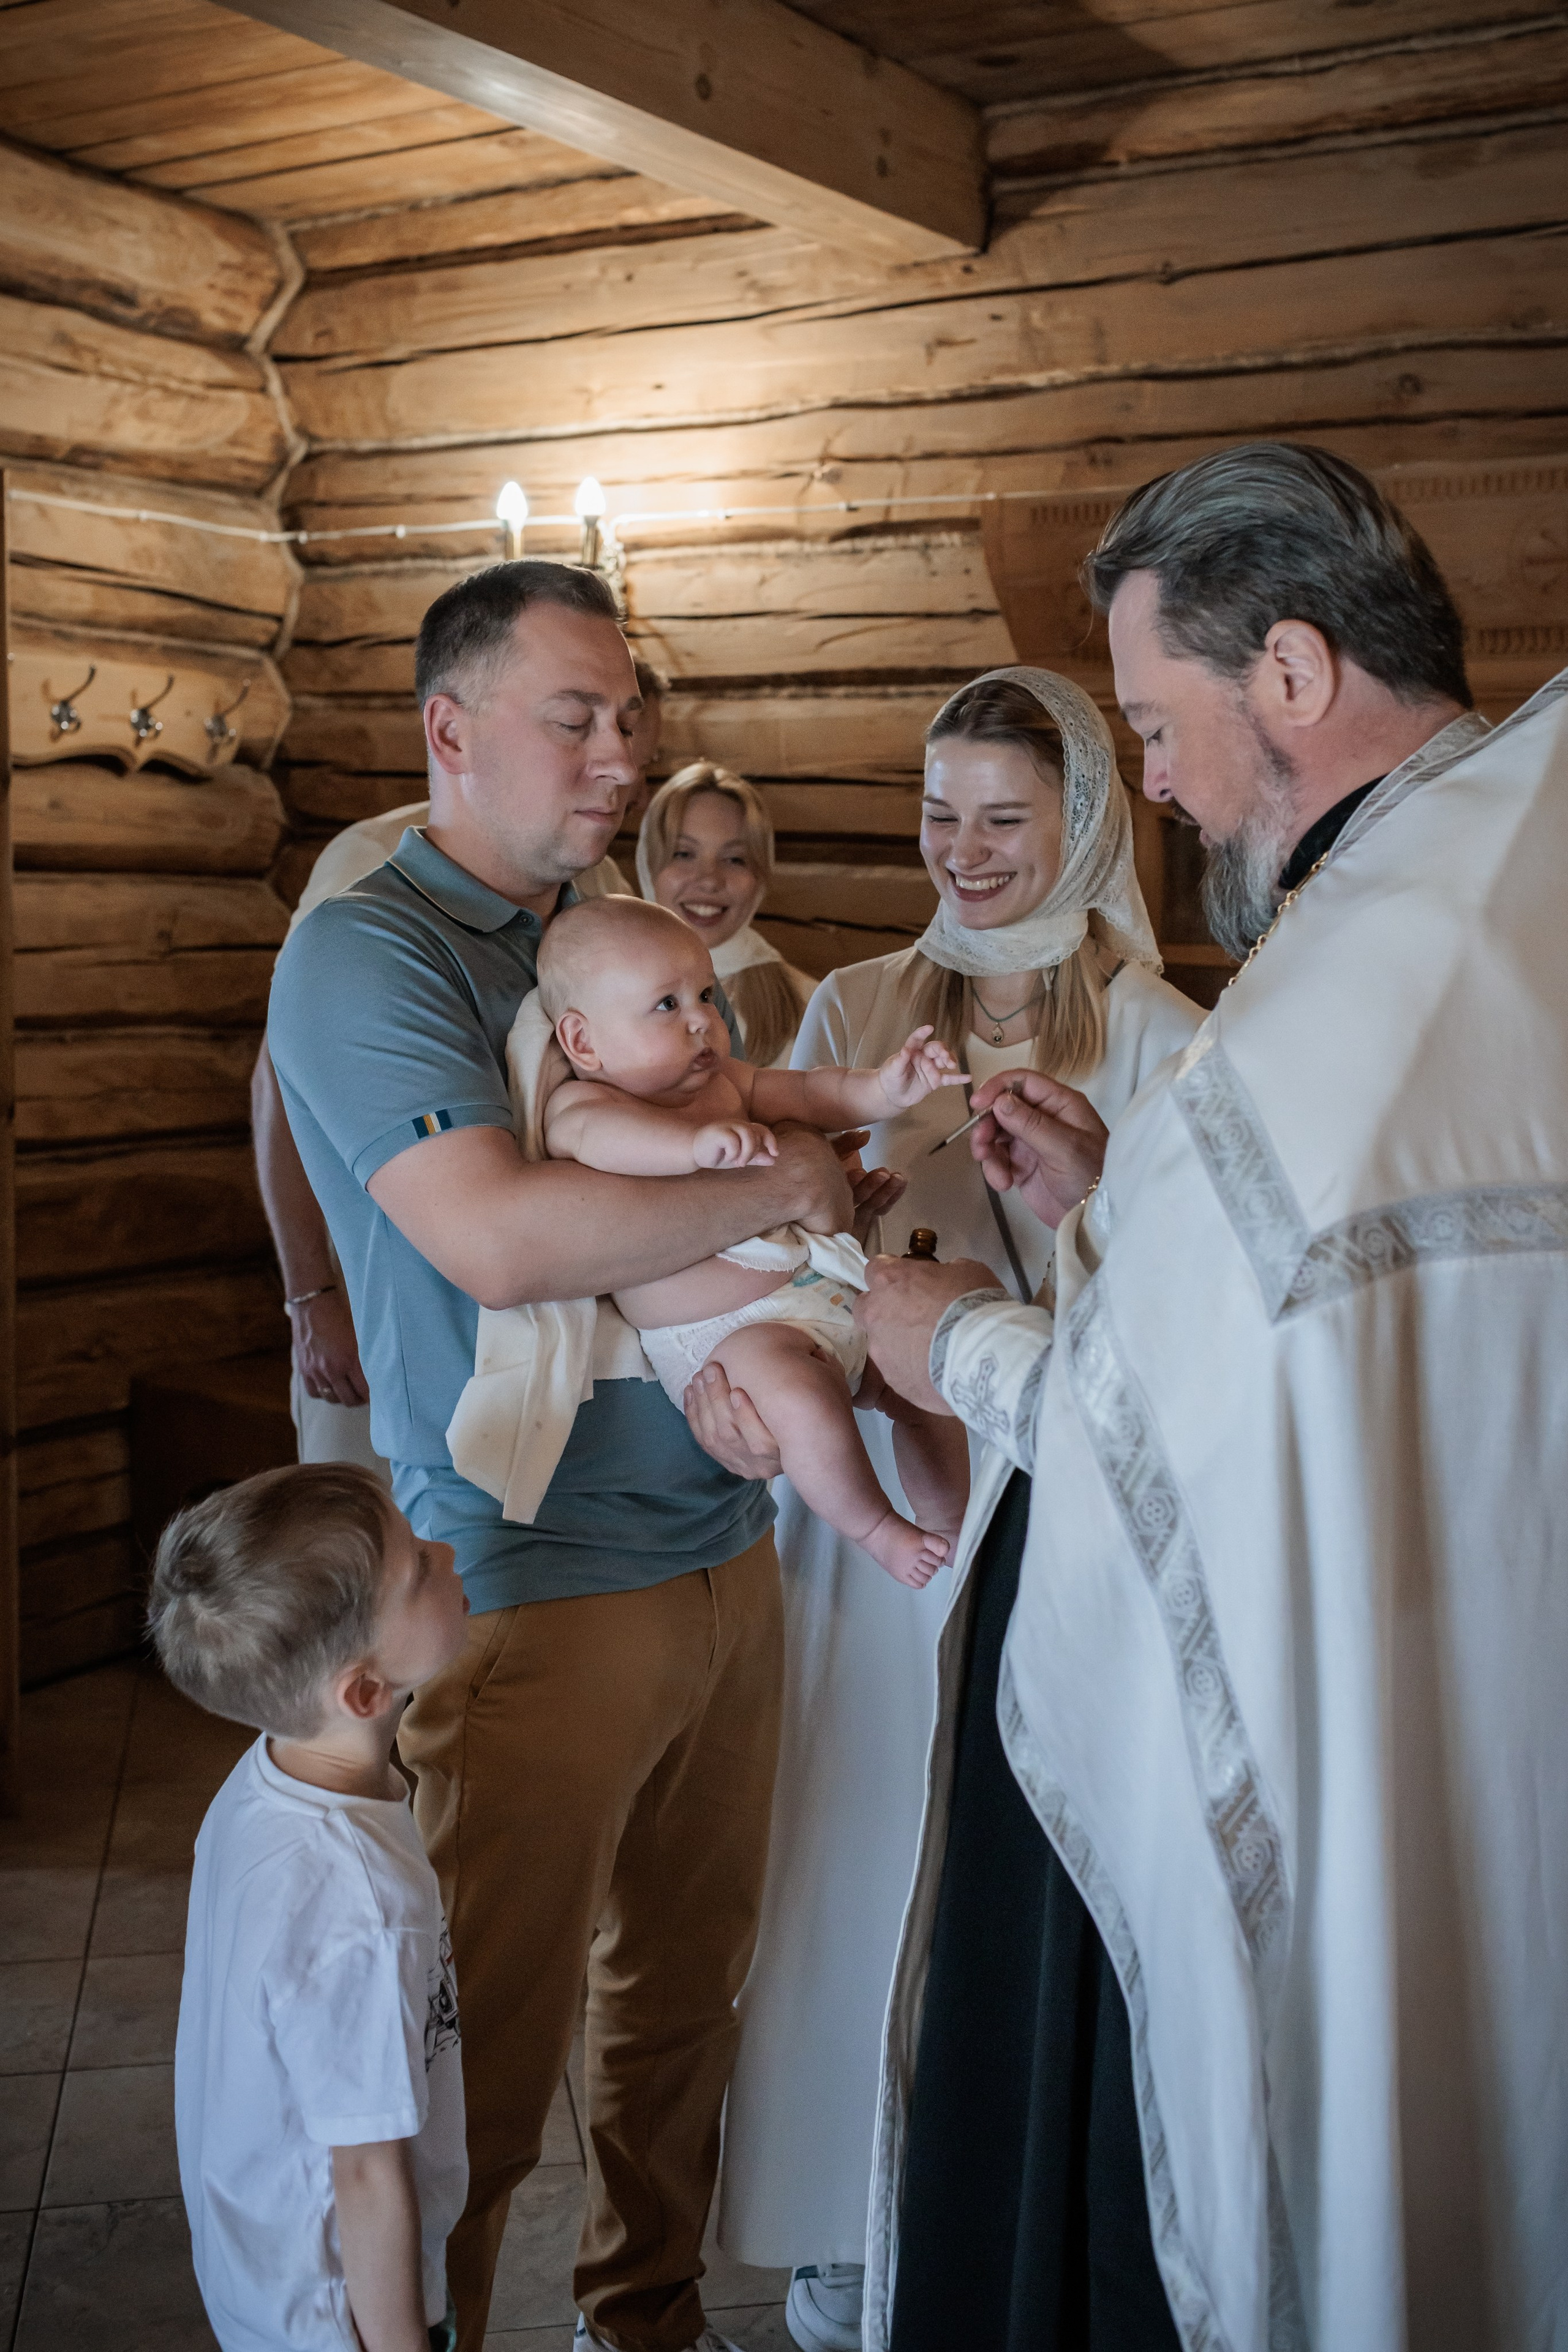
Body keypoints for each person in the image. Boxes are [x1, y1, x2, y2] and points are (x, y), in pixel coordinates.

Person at [851, 444, 1568, 2351]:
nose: (1147, 783)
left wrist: (939, 1342)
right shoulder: (1513, 861)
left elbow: (1154, 1440)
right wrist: (1123, 1206)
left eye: (1158, 722)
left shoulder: (1356, 980)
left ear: (1292, 678)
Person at [266, 560, 854, 2352]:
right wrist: (786, 1196)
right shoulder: (371, 946)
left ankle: (644, 2315)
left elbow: (728, 1128)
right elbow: (502, 1237)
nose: (621, 753)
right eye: (576, 715)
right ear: (451, 729)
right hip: (530, 1581)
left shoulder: (614, 942)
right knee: (485, 2046)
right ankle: (428, 2326)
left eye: (631, 718)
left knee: (683, 1997)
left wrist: (798, 1182)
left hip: (724, 1544)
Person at [704, 669, 1200, 2350]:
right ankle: (842, 2228)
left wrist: (1075, 1204)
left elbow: (1193, 1316)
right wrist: (828, 1194)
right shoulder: (849, 1009)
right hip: (867, 1532)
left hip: (1051, 1513)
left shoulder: (1158, 1034)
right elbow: (768, 1240)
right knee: (842, 1864)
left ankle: (983, 2212)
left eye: (1005, 817)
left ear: (1080, 827)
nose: (965, 850)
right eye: (941, 813)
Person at [251, 660, 666, 1477]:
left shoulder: (601, 882)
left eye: (634, 746)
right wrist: (313, 1297)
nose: (620, 774)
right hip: (392, 1308)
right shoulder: (370, 873)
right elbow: (280, 1080)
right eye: (580, 732)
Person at [530, 894, 970, 1586]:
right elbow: (603, 1143)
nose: (703, 1018)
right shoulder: (588, 1106)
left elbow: (811, 1092)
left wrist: (885, 1089)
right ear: (584, 1042)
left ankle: (949, 1524)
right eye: (665, 1006)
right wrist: (694, 1144)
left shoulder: (728, 1082)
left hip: (823, 1291)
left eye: (704, 993)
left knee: (922, 1375)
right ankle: (875, 1527)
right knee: (802, 1399)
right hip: (726, 1337)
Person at [149, 1462, 471, 2352]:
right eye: (418, 1568)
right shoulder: (362, 1901)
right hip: (338, 2314)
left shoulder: (266, 1775)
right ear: (364, 1692)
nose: (446, 1551)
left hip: (262, 2266)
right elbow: (367, 2172)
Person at [637, 763, 813, 1066]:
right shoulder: (599, 986)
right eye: (683, 854)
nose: (709, 880)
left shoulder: (811, 1005)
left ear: (761, 876)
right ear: (647, 864)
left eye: (734, 859)